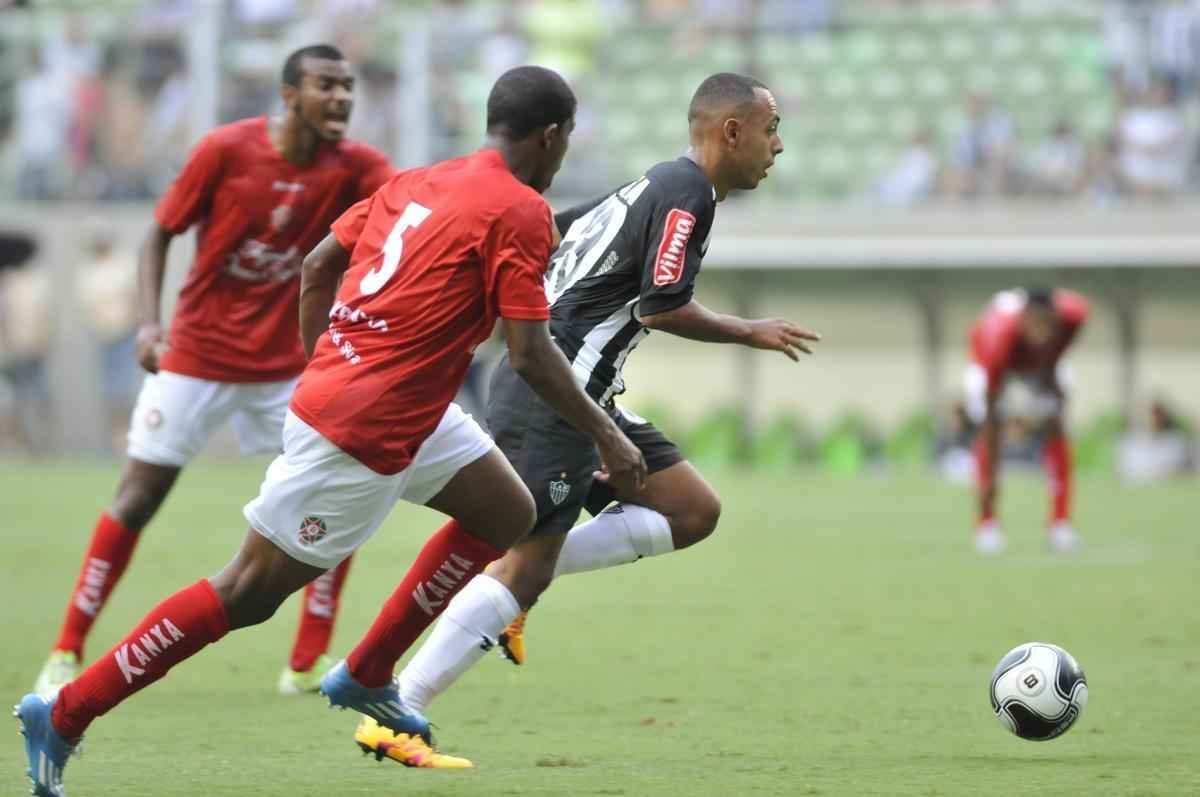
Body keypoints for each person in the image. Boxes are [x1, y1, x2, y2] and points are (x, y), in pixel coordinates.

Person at [15, 63, 646, 795]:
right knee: (247, 591)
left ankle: (369, 671)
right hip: (365, 427)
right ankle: (65, 711)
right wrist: (608, 434)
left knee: (507, 510)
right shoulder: (520, 210)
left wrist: (329, 359)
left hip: (398, 403)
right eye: (567, 139)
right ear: (552, 135)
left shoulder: (419, 180)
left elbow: (318, 266)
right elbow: (529, 353)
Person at [354, 72, 819, 766]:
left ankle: (516, 582)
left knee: (692, 510)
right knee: (526, 565)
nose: (777, 145)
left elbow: (557, 232)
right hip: (555, 393)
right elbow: (662, 303)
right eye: (771, 128)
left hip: (581, 393)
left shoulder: (653, 184)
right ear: (732, 131)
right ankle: (397, 710)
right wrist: (749, 330)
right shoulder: (687, 192)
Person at [32, 44, 396, 702]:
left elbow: (407, 212)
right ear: (290, 95)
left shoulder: (359, 167)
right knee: (137, 498)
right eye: (326, 85)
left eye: (347, 86)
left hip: (286, 368)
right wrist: (150, 324)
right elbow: (159, 233)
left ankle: (306, 661)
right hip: (196, 358)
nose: (342, 97)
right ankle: (66, 648)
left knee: (336, 493)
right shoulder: (226, 150)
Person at [964, 287, 1089, 554]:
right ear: (1023, 320)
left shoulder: (1074, 315)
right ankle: (987, 523)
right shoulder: (998, 339)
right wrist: (991, 480)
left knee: (1056, 425)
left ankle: (1060, 524)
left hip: (1042, 365)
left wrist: (1050, 373)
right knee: (990, 434)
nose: (1041, 333)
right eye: (1035, 325)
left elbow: (1061, 345)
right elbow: (992, 407)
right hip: (994, 366)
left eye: (1047, 325)